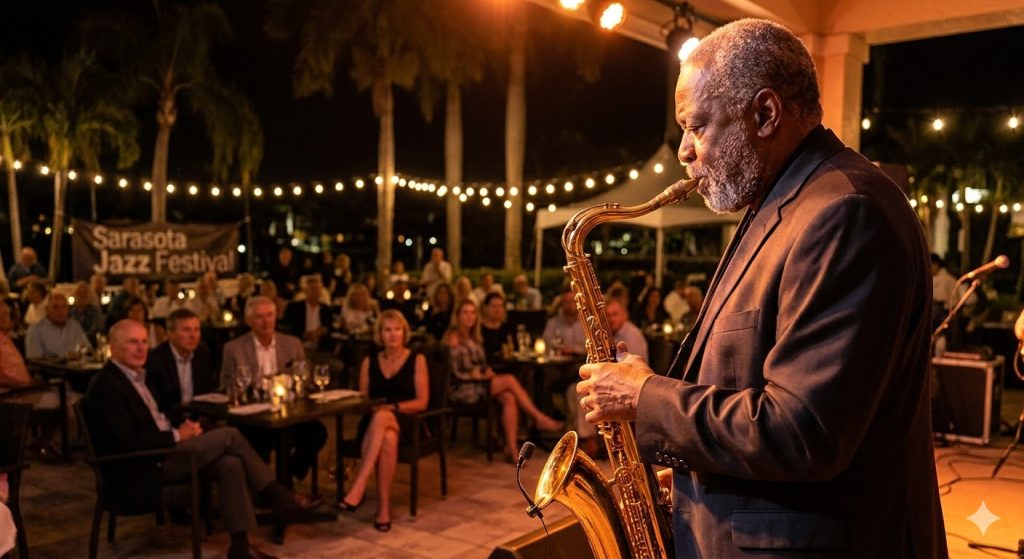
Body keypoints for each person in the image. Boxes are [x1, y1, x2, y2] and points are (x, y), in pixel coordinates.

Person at [574, 19, 945, 557]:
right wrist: (693, 481)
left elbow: (803, 431)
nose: (683, 152)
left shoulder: (845, 211)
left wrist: (645, 396)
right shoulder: (782, 203)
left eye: (695, 126)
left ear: (765, 114)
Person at [82, 319, 321, 559]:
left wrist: (183, 426)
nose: (141, 348)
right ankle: (278, 494)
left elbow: (160, 415)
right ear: (112, 347)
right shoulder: (106, 385)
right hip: (143, 466)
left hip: (167, 452)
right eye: (132, 342)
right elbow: (124, 442)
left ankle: (240, 546)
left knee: (231, 464)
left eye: (144, 341)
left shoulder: (139, 377)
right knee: (230, 435)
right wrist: (176, 435)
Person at [339, 310, 428, 532]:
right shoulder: (370, 362)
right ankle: (383, 509)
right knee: (387, 435)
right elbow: (363, 399)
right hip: (373, 425)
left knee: (383, 416)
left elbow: (422, 401)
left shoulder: (417, 359)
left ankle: (359, 484)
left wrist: (392, 407)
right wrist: (377, 409)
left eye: (397, 329)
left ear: (404, 333)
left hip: (408, 420)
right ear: (380, 334)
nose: (393, 335)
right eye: (387, 330)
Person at [221, 296, 327, 482]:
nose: (265, 322)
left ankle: (289, 476)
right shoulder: (234, 348)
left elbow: (304, 379)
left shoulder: (292, 344)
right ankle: (265, 487)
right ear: (249, 321)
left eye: (269, 315)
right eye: (259, 317)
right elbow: (225, 384)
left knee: (317, 433)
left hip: (286, 412)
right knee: (259, 439)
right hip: (253, 415)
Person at [444, 299, 562, 462]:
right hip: (464, 388)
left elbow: (479, 364)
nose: (470, 317)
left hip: (480, 383)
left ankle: (512, 449)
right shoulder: (454, 337)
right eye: (465, 313)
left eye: (472, 313)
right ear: (457, 316)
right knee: (509, 380)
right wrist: (476, 374)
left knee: (509, 397)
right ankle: (539, 418)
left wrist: (485, 371)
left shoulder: (474, 336)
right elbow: (455, 371)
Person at [146, 309, 216, 426]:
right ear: (170, 333)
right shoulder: (155, 360)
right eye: (186, 330)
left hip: (199, 420)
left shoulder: (202, 353)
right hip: (168, 424)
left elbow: (206, 393)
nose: (193, 336)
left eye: (196, 330)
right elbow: (159, 405)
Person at [25, 293, 91, 360]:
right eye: (55, 307)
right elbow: (35, 362)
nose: (60, 311)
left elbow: (87, 349)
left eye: (64, 306)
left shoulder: (74, 326)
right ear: (47, 309)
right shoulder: (36, 331)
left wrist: (79, 354)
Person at [283, 275, 333, 351]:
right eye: (312, 289)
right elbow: (287, 329)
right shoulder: (294, 308)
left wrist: (324, 331)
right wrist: (304, 335)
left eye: (317, 290)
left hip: (321, 350)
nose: (315, 293)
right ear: (305, 292)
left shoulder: (326, 310)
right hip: (299, 348)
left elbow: (331, 329)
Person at [542, 292, 586, 356]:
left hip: (582, 360)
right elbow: (547, 341)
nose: (570, 305)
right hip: (559, 361)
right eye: (566, 302)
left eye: (572, 301)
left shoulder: (586, 323)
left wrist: (573, 350)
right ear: (561, 304)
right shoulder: (553, 322)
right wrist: (561, 348)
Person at [479, 292, 514, 365]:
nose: (497, 309)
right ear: (485, 308)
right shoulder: (478, 329)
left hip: (508, 365)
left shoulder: (508, 328)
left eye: (500, 306)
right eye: (493, 306)